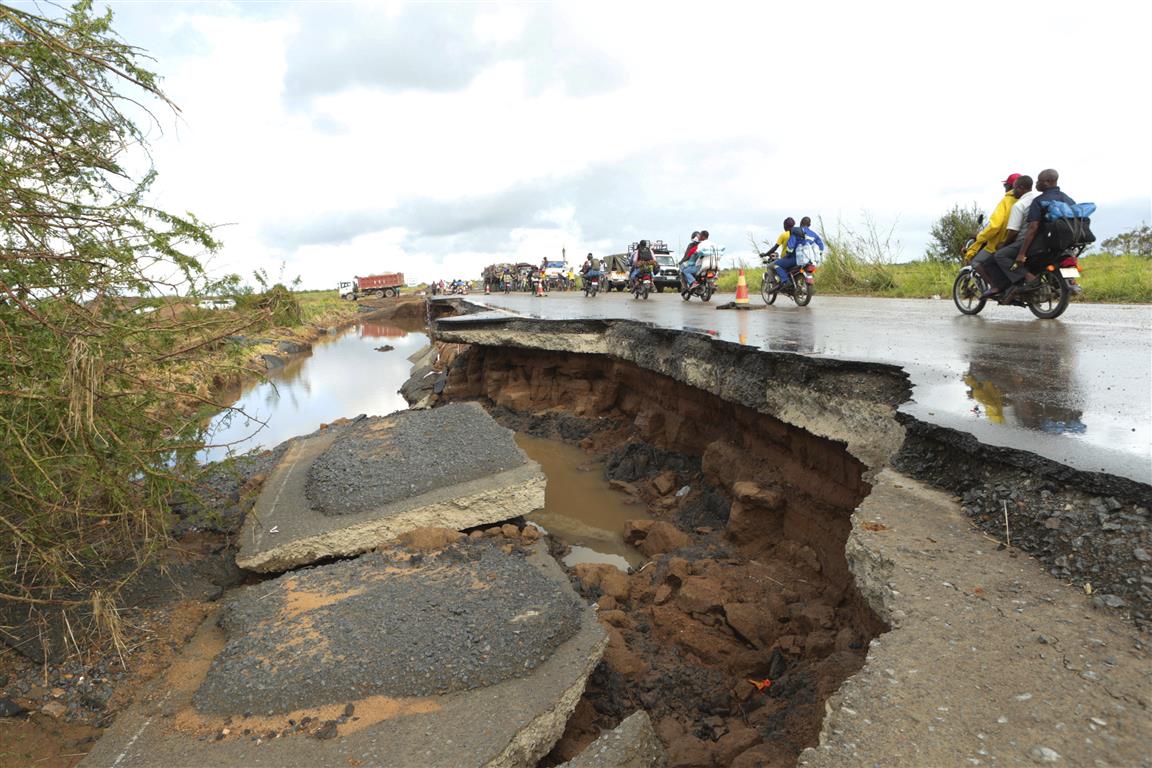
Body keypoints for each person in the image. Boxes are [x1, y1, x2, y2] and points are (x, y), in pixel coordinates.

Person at [986, 169, 1076, 301]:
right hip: (1063, 244)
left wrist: (1021, 253)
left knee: (1000, 255)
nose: (1036, 183)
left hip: (1041, 243)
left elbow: (1032, 228)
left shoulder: (1039, 201)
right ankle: (1070, 282)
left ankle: (1029, 278)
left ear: (1048, 182)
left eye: (1039, 181)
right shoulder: (1068, 199)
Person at [966, 173, 1022, 263]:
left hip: (999, 244)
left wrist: (980, 237)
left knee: (975, 263)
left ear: (1011, 186)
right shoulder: (1026, 201)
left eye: (1006, 186)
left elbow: (994, 226)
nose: (1005, 189)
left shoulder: (1006, 201)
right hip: (1019, 243)